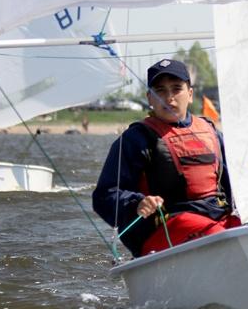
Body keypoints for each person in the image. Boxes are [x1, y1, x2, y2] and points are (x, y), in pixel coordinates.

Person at [92, 59, 237, 257]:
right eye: (160, 91)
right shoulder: (135, 139)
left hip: (218, 221)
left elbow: (236, 184)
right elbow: (104, 197)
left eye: (176, 89)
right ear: (149, 98)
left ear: (190, 94)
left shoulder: (211, 132)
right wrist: (137, 203)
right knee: (217, 235)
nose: (169, 98)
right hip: (164, 231)